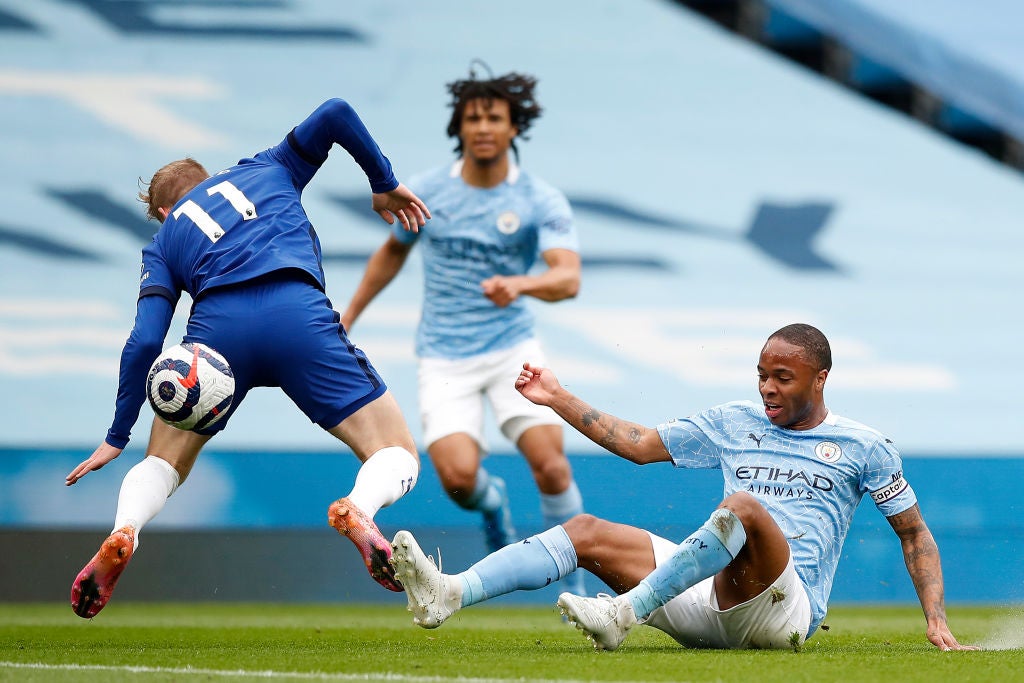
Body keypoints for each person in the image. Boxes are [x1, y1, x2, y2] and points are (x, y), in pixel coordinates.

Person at [388, 323, 977, 652]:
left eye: (783, 377)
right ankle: (450, 593)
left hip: (785, 615)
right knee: (587, 531)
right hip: (709, 599)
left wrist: (936, 618)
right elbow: (640, 445)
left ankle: (625, 612)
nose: (767, 388)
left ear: (821, 379)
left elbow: (914, 533)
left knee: (742, 507)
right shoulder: (733, 421)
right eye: (762, 375)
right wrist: (558, 397)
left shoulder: (865, 446)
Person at [64, 97, 431, 619]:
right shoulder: (267, 167)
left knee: (162, 463)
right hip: (298, 316)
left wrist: (116, 436)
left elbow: (145, 342)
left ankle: (126, 530)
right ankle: (361, 509)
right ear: (209, 179)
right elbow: (335, 112)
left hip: (218, 339)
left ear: (164, 212)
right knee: (393, 449)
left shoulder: (165, 241)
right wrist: (383, 181)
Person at [341, 65, 587, 593]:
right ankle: (493, 504)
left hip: (512, 350)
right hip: (444, 356)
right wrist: (348, 317)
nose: (482, 127)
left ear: (513, 128)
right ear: (460, 127)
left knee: (551, 467)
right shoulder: (429, 191)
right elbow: (390, 256)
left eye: (494, 118)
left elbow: (568, 277)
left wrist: (520, 284)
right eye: (473, 118)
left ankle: (579, 590)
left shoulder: (537, 198)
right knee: (457, 481)